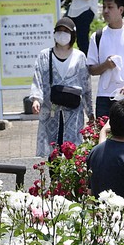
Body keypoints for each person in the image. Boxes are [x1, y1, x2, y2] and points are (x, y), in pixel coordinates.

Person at [29, 17, 93, 154]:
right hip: (51, 110)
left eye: (66, 31)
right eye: (59, 30)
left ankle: (70, 176)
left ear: (72, 35)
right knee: (53, 148)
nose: (62, 34)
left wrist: (90, 112)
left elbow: (86, 86)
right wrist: (36, 99)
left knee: (72, 149)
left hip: (73, 112)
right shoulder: (44, 56)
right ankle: (54, 176)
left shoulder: (80, 56)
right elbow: (38, 77)